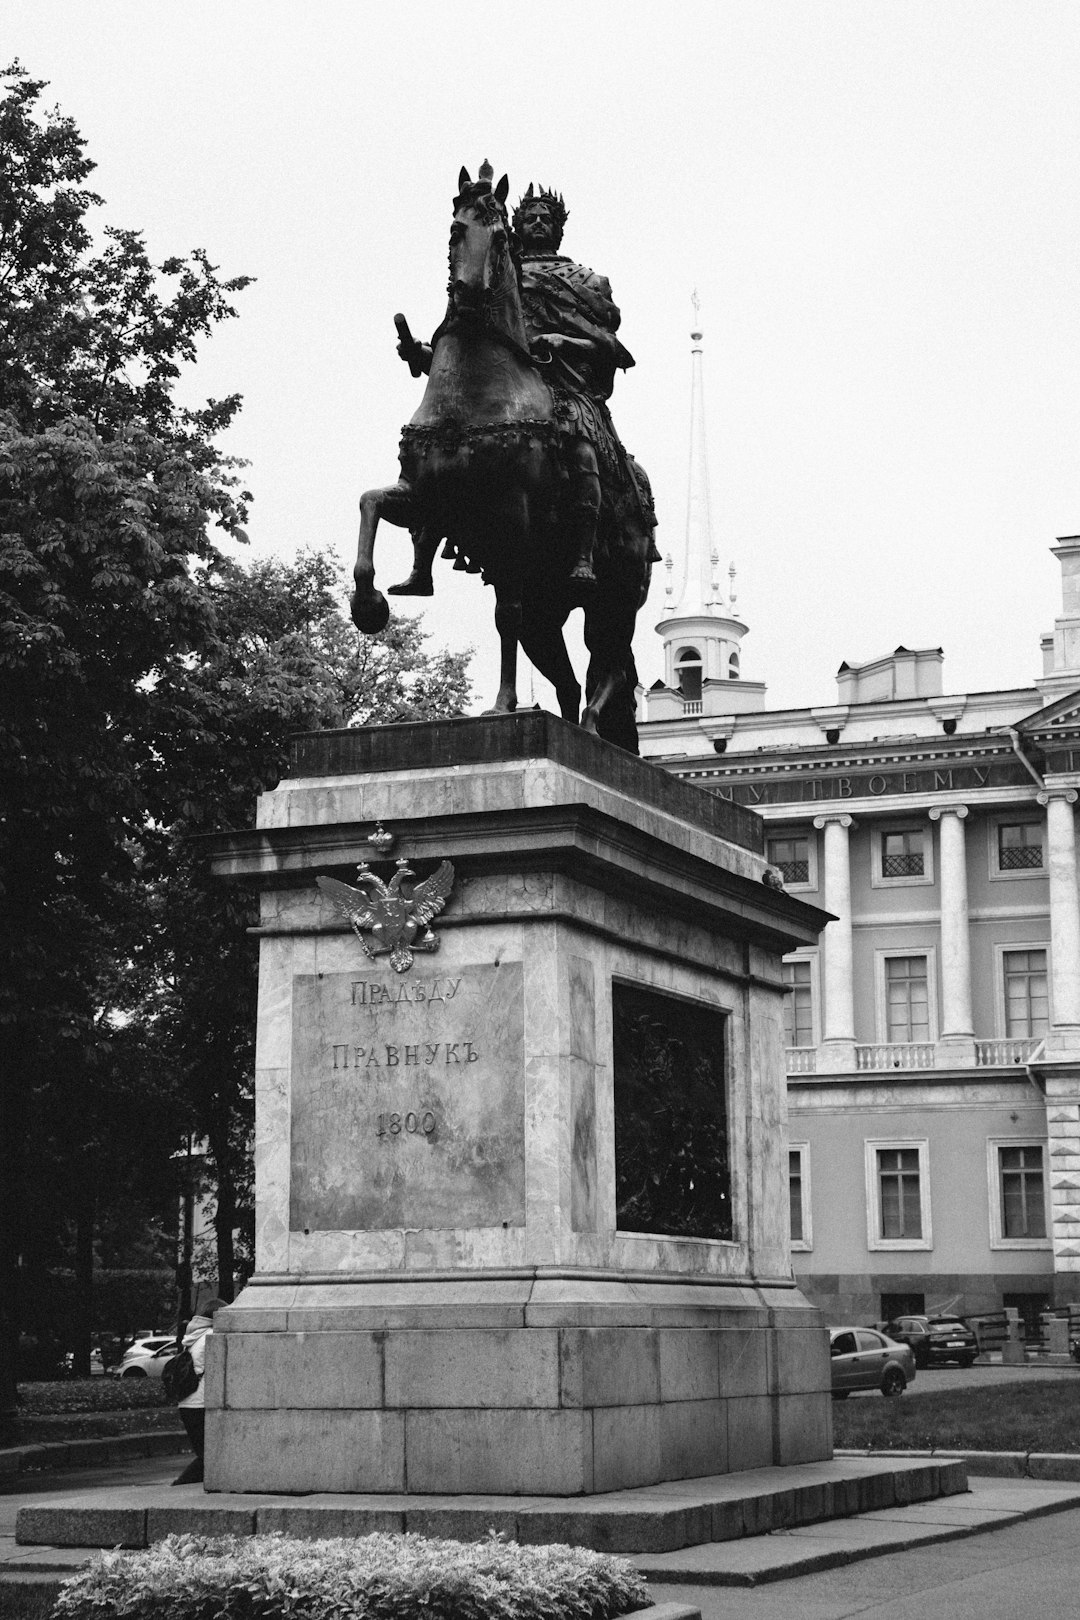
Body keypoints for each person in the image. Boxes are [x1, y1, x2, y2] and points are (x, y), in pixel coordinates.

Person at [171, 1296, 226, 1486]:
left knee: (207, 1453)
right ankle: (179, 1486)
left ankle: (185, 1484)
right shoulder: (211, 1337)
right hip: (200, 1403)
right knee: (210, 1454)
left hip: (187, 1402)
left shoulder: (193, 1337)